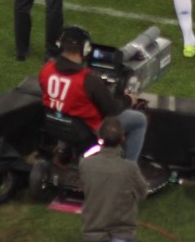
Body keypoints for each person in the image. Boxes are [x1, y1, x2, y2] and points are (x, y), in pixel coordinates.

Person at [39, 26, 147, 161]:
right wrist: (128, 99)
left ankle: (64, 146)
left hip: (56, 125)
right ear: (85, 48)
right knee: (139, 120)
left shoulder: (46, 69)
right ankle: (129, 166)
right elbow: (112, 110)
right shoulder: (88, 80)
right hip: (88, 131)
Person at [79, 117, 148, 242]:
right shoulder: (130, 168)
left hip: (93, 236)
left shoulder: (85, 164)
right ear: (122, 139)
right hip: (120, 235)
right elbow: (142, 193)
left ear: (99, 138)